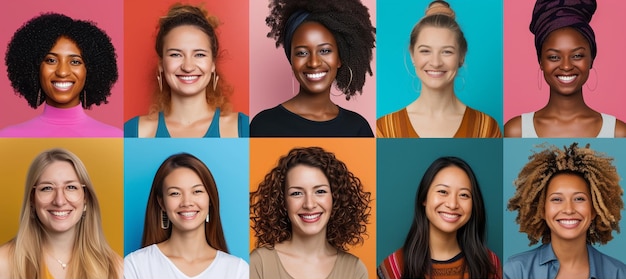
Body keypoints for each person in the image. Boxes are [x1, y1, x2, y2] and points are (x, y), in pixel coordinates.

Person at [249, 0, 375, 137]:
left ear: (339, 58)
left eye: (325, 51)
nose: (314, 63)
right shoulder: (263, 125)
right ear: (291, 59)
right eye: (302, 53)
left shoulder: (358, 128)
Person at [377, 1, 501, 138]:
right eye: (425, 51)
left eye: (447, 52)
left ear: (462, 56)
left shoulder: (486, 128)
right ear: (412, 55)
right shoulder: (385, 129)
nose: (436, 63)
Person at [504, 0, 626, 138]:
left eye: (577, 55)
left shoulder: (618, 133)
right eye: (554, 57)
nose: (566, 66)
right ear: (541, 62)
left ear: (591, 59)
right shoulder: (516, 131)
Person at [124, 4, 248, 138]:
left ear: (212, 65)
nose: (188, 67)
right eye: (175, 54)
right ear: (161, 65)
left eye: (199, 54)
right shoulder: (133, 132)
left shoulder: (243, 128)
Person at [505, 143, 626, 279]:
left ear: (594, 210)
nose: (569, 210)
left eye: (579, 198)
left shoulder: (619, 274)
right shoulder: (515, 272)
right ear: (542, 210)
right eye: (557, 199)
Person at [0, 148, 122, 279]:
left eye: (71, 187)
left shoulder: (116, 268)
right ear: (32, 199)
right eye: (47, 188)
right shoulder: (4, 263)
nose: (59, 201)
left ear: (85, 197)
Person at [250, 147, 370, 279]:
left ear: (335, 197)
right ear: (283, 201)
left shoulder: (355, 270)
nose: (309, 204)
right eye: (297, 193)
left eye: (320, 191)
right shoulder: (258, 263)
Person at [124, 153, 248, 279]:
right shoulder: (135, 266)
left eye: (197, 191)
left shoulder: (237, 270)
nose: (187, 203)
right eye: (175, 193)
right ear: (162, 202)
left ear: (210, 199)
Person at [378, 156, 501, 279]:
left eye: (464, 195)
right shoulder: (394, 267)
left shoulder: (490, 263)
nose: (452, 204)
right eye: (443, 192)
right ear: (424, 198)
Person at [1, 13, 121, 137]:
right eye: (51, 60)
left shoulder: (115, 137)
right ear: (35, 68)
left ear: (90, 70)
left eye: (75, 62)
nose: (62, 72)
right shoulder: (8, 137)